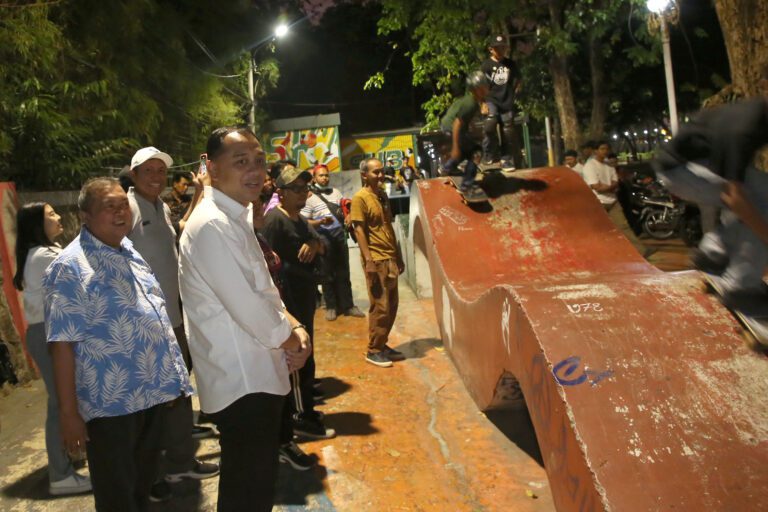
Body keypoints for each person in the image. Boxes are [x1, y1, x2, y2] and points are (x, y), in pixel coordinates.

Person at [178, 127, 310, 512]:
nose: (254, 171)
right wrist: (292, 341)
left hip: (258, 374)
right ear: (212, 169)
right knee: (247, 489)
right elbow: (249, 309)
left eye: (258, 161)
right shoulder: (212, 225)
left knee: (254, 483)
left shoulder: (235, 217)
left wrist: (296, 329)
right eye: (240, 162)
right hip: (242, 382)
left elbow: (263, 291)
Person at [43, 177, 193, 511]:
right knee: (117, 497)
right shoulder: (70, 267)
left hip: (151, 396)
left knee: (141, 488)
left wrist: (172, 380)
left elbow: (152, 315)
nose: (119, 212)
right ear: (85, 215)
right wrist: (69, 414)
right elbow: (61, 345)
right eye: (108, 206)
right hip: (111, 407)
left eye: (122, 204)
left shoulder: (128, 250)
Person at [126, 147, 219, 501]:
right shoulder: (129, 207)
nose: (156, 176)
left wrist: (197, 192)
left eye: (160, 170)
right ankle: (152, 473)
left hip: (172, 316)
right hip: (147, 321)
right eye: (147, 170)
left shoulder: (160, 206)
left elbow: (180, 231)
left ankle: (180, 460)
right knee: (153, 399)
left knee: (177, 391)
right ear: (133, 175)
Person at [652, 96, 768, 327]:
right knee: (759, 204)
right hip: (681, 171)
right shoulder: (744, 127)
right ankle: (741, 287)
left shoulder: (757, 115)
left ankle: (713, 253)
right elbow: (735, 199)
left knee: (759, 193)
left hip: (691, 164)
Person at [13, 203, 92, 496]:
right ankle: (60, 474)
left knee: (60, 401)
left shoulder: (43, 254)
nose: (59, 218)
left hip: (48, 331)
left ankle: (67, 459)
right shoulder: (43, 257)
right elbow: (82, 276)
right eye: (51, 216)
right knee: (61, 403)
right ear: (37, 225)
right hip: (49, 333)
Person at [261, 165, 336, 441]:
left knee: (307, 356)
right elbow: (265, 265)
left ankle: (306, 410)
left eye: (305, 187)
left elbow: (322, 244)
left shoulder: (300, 219)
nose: (303, 192)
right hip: (289, 303)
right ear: (280, 193)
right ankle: (300, 416)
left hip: (304, 298)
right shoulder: (274, 221)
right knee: (296, 359)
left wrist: (315, 246)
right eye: (296, 189)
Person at [350, 158, 406, 368]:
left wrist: (398, 255)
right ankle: (373, 350)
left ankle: (382, 344)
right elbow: (359, 230)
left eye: (382, 172)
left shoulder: (381, 195)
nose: (381, 176)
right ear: (364, 175)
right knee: (380, 307)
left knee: (392, 305)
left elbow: (389, 227)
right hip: (376, 258)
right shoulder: (360, 198)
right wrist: (369, 261)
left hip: (389, 257)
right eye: (376, 173)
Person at [302, 163, 365, 321]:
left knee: (344, 271)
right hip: (323, 238)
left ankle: (348, 305)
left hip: (339, 236)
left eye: (326, 175)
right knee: (326, 273)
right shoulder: (309, 196)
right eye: (321, 175)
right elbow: (304, 220)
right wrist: (321, 221)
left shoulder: (335, 192)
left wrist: (349, 214)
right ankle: (331, 306)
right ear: (315, 178)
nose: (324, 178)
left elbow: (344, 207)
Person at [583, 141, 651, 257]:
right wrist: (610, 188)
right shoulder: (590, 166)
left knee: (623, 227)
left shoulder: (609, 165)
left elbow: (616, 182)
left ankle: (640, 251)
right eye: (602, 148)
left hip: (613, 201)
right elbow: (596, 186)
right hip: (598, 202)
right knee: (599, 231)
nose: (605, 151)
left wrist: (609, 187)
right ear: (595, 151)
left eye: (606, 149)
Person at [440, 70, 490, 201]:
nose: (487, 89)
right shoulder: (470, 104)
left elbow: (465, 122)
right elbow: (457, 124)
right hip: (451, 129)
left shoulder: (471, 99)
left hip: (447, 127)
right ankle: (467, 185)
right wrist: (455, 147)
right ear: (477, 89)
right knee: (476, 152)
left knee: (466, 149)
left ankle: (447, 168)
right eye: (484, 87)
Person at [481, 34, 521, 171]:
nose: (500, 51)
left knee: (508, 130)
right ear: (491, 49)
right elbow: (480, 86)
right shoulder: (486, 65)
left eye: (503, 48)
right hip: (491, 99)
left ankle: (506, 159)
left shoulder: (510, 64)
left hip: (507, 100)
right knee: (490, 123)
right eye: (497, 48)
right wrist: (482, 103)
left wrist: (513, 93)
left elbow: (517, 80)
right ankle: (489, 153)